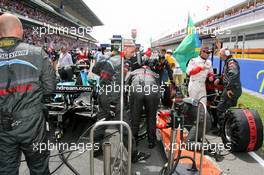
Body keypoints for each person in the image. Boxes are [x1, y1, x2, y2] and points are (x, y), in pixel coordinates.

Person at [0, 13, 56, 175]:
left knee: (6, 170)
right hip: (33, 124)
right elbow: (50, 87)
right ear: (20, 31)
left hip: (3, 126)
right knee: (39, 168)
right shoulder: (37, 53)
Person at [92, 39, 151, 163]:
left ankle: (96, 149)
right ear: (125, 48)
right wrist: (113, 104)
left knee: (100, 124)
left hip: (104, 96)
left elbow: (95, 70)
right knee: (125, 126)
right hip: (113, 98)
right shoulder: (120, 61)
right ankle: (134, 155)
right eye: (133, 50)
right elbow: (113, 84)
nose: (134, 53)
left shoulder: (110, 58)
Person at [126, 57, 160, 149]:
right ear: (149, 65)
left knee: (135, 117)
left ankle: (134, 141)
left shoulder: (133, 72)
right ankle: (151, 142)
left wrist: (127, 103)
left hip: (136, 92)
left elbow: (126, 86)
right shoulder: (155, 74)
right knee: (151, 117)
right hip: (151, 92)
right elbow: (159, 89)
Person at [185, 46, 214, 143]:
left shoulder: (209, 62)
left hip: (202, 85)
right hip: (194, 84)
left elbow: (211, 73)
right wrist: (200, 68)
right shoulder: (193, 60)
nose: (207, 54)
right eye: (205, 52)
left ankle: (200, 130)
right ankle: (192, 129)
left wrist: (211, 77)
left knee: (203, 108)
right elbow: (189, 72)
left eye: (208, 52)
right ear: (201, 52)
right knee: (194, 107)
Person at [214, 48, 242, 134]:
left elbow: (233, 75)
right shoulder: (228, 62)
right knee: (229, 110)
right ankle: (229, 130)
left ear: (225, 54)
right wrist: (219, 79)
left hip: (231, 89)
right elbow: (226, 75)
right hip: (232, 88)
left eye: (220, 54)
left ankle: (223, 131)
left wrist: (229, 88)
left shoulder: (231, 62)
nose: (220, 56)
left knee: (222, 109)